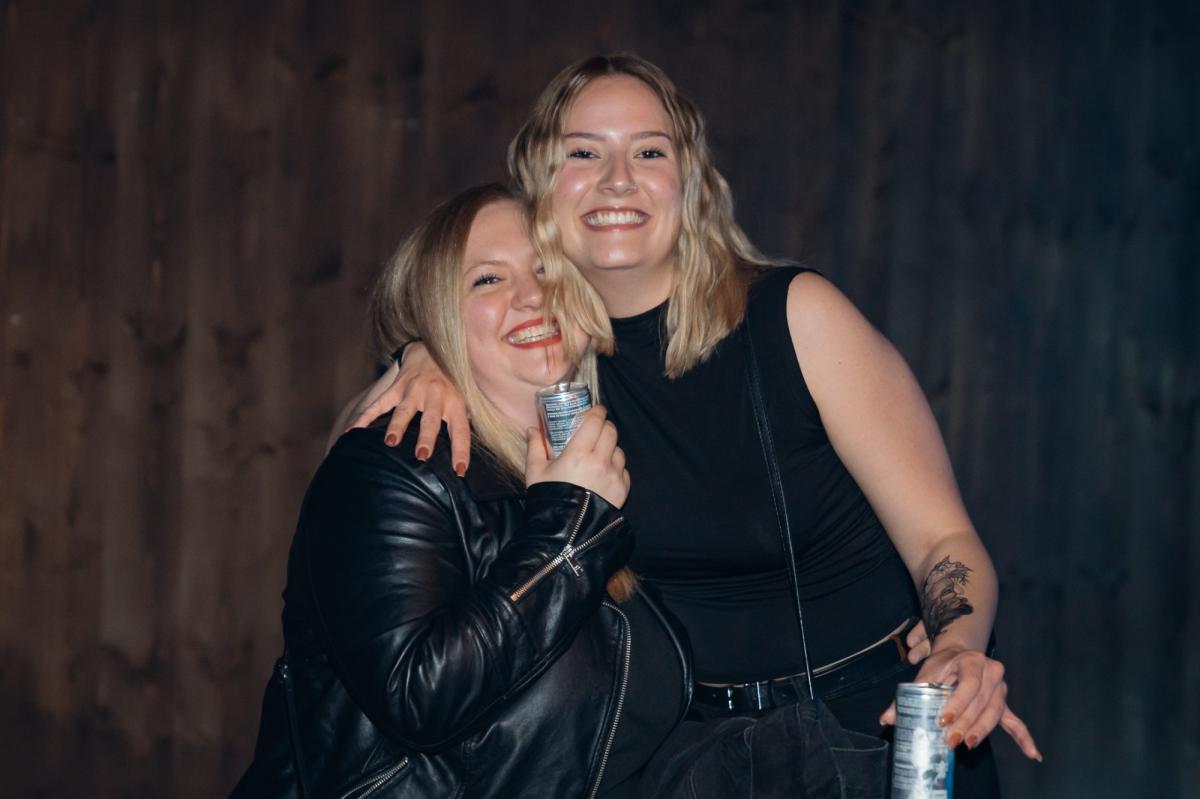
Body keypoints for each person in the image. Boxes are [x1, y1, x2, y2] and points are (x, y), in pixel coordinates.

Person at [347, 55, 1042, 795]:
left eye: (649, 151)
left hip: (876, 737)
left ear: (693, 182)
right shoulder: (546, 364)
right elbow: (349, 487)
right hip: (695, 761)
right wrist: (422, 352)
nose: (618, 179)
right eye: (583, 153)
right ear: (539, 188)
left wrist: (958, 646)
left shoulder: (797, 318)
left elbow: (943, 540)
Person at [232, 184, 691, 799]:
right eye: (487, 280)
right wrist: (570, 526)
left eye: (546, 268)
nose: (532, 295)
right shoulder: (395, 466)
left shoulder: (605, 456)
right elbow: (418, 697)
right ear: (439, 319)